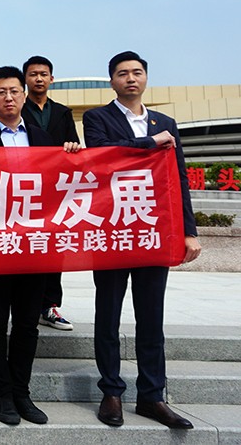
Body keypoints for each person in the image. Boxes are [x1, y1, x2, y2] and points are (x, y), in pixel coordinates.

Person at [84, 51, 202, 430]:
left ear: (146, 78)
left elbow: (178, 178)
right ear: (112, 81)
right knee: (108, 314)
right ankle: (111, 392)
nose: (130, 79)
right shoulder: (97, 118)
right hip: (113, 232)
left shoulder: (165, 122)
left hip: (153, 232)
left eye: (137, 72)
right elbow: (104, 155)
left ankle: (152, 395)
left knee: (151, 317)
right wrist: (151, 143)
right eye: (122, 74)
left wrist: (189, 231)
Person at [0, 66, 81, 426]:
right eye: (1, 92)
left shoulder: (46, 141)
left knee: (28, 323)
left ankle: (21, 391)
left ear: (24, 95)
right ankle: (1, 393)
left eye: (14, 91)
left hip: (34, 245)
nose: (9, 98)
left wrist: (72, 154)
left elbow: (64, 186)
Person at [21, 55, 80, 331]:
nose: (39, 79)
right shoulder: (18, 110)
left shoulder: (62, 113)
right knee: (25, 248)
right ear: (25, 79)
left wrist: (72, 148)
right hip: (23, 190)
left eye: (43, 74)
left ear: (51, 79)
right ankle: (24, 305)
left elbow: (75, 148)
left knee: (54, 248)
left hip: (55, 191)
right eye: (33, 74)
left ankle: (50, 306)